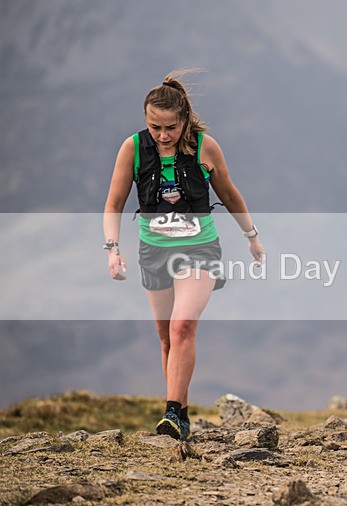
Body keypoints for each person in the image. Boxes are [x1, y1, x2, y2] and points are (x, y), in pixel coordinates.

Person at [103, 70, 265, 441]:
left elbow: (230, 194)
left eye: (170, 128)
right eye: (154, 127)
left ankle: (171, 412)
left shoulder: (206, 147)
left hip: (199, 248)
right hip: (153, 250)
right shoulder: (132, 148)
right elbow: (113, 204)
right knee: (166, 338)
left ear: (184, 120)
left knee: (183, 326)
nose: (162, 135)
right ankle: (182, 416)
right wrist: (112, 249)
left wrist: (251, 236)